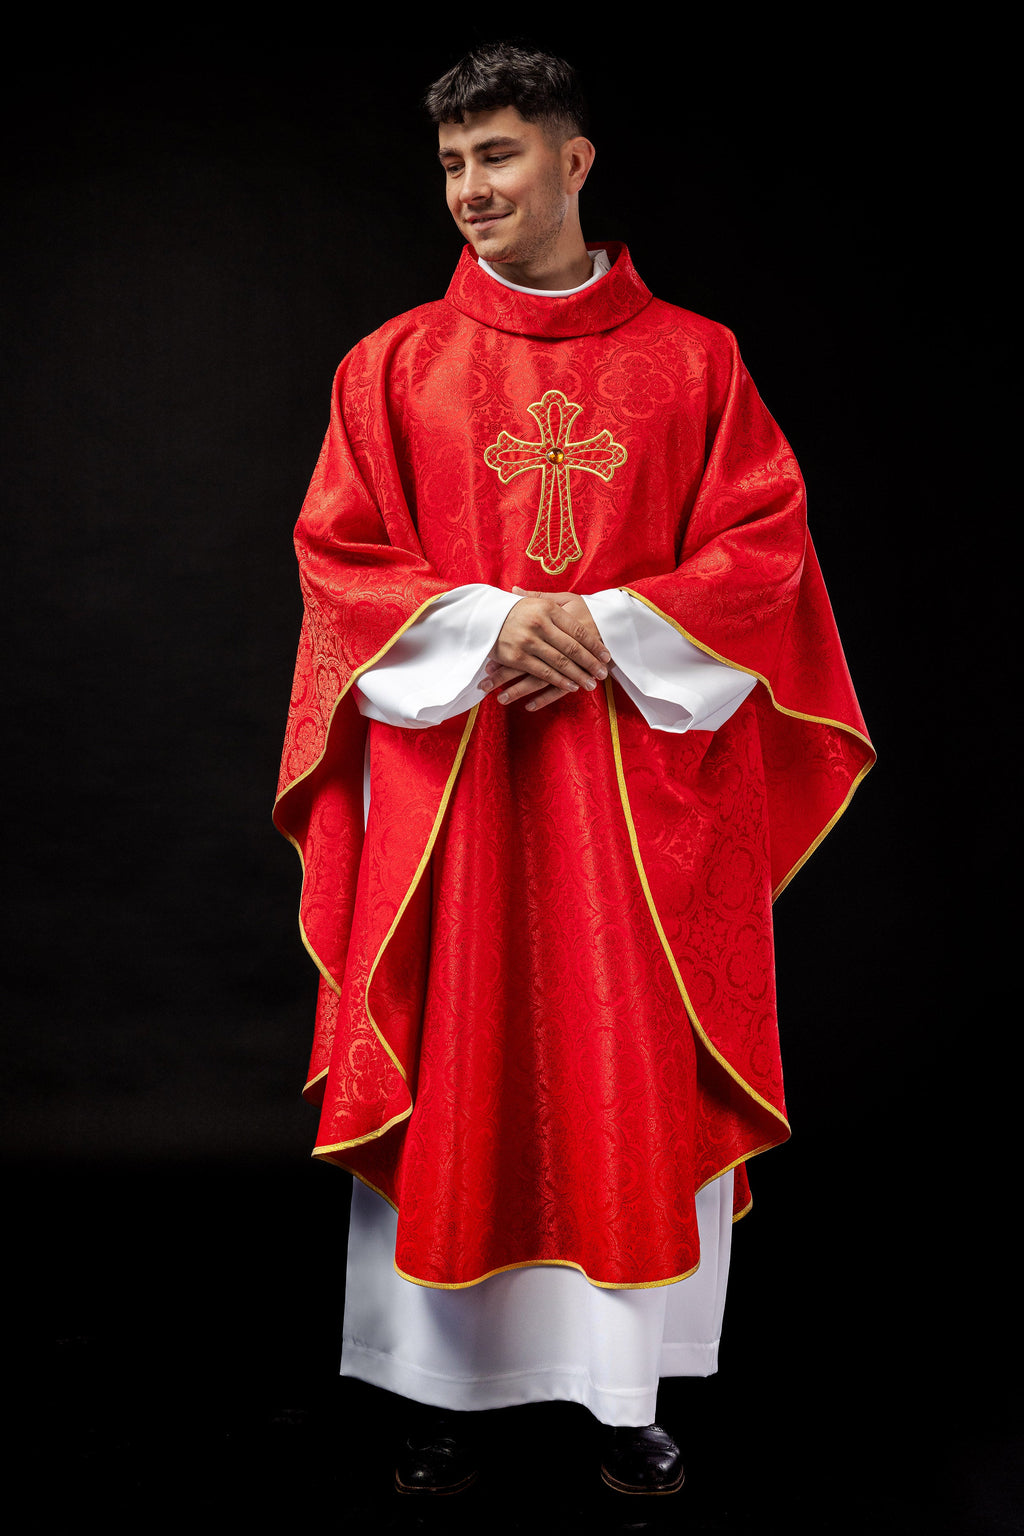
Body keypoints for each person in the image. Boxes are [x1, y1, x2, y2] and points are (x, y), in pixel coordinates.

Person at [274, 42, 873, 1498]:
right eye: (454, 166)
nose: (473, 191)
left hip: (634, 804)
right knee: (460, 1045)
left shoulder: (698, 361)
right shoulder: (393, 365)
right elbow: (343, 564)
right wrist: (495, 629)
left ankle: (628, 1391)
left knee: (626, 1068)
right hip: (460, 797)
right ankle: (438, 1386)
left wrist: (601, 632)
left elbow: (765, 554)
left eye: (501, 156)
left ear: (574, 159)